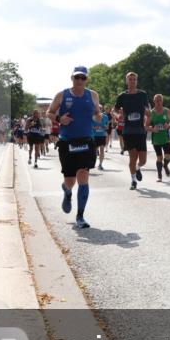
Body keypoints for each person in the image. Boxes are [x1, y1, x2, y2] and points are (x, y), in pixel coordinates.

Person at [48, 66, 100, 229]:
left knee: (83, 175)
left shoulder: (92, 95)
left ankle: (80, 216)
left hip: (86, 140)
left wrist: (99, 117)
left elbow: (97, 113)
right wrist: (58, 118)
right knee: (70, 181)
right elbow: (49, 112)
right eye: (77, 78)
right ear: (72, 78)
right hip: (67, 141)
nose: (79, 81)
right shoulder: (62, 95)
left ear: (86, 80)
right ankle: (67, 190)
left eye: (83, 78)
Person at [115, 72, 151, 190]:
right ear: (127, 81)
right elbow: (114, 110)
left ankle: (138, 167)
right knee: (132, 158)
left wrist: (147, 112)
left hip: (140, 130)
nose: (132, 81)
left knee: (143, 160)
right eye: (130, 79)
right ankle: (133, 180)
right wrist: (118, 115)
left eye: (134, 79)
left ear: (137, 81)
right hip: (128, 131)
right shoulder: (122, 96)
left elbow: (147, 107)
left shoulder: (142, 94)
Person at [149, 94, 170, 182]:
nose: (158, 102)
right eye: (156, 100)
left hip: (165, 138)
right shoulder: (151, 113)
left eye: (160, 100)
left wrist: (168, 126)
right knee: (159, 158)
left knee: (168, 157)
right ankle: (159, 175)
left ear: (162, 101)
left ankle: (165, 165)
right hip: (156, 139)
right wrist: (153, 129)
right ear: (154, 101)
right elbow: (146, 126)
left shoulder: (168, 111)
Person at [92, 104, 110, 170]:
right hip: (94, 136)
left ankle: (100, 164)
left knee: (102, 149)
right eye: (97, 108)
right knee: (94, 150)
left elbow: (107, 126)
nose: (98, 110)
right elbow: (89, 126)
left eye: (100, 108)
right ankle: (92, 163)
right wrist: (94, 128)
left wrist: (105, 127)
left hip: (102, 135)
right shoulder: (92, 116)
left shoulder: (105, 117)